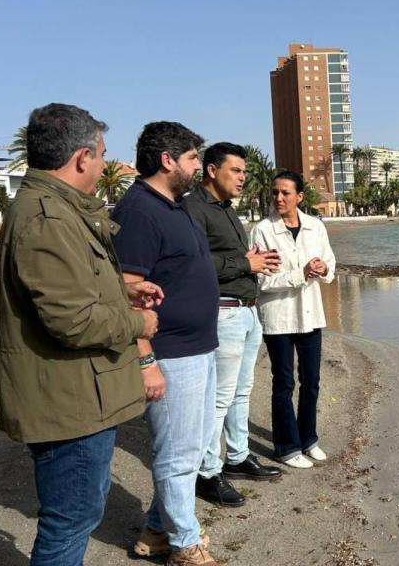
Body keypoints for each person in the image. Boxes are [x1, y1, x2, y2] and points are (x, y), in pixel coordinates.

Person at [0, 103, 162, 566]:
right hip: (67, 404)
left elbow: (71, 291)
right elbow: (71, 321)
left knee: (76, 514)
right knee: (68, 522)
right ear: (82, 157)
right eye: (104, 154)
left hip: (78, 397)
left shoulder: (58, 211)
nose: (106, 164)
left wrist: (123, 291)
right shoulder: (48, 217)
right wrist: (139, 324)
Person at [111, 122, 220, 566]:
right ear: (167, 160)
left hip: (199, 346)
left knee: (190, 449)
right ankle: (184, 545)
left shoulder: (174, 205)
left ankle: (157, 531)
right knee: (177, 455)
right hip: (171, 352)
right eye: (194, 158)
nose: (199, 166)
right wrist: (146, 360)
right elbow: (125, 288)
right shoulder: (138, 209)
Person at [185, 142, 282, 508]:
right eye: (236, 171)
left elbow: (228, 256)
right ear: (212, 170)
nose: (243, 177)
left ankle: (238, 456)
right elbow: (192, 263)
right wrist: (246, 265)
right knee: (219, 398)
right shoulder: (194, 208)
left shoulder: (226, 210)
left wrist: (251, 261)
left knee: (242, 391)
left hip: (246, 310)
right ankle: (207, 472)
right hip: (223, 311)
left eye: (244, 171)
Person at [249, 171, 336, 469]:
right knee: (283, 383)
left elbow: (331, 263)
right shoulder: (262, 230)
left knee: (311, 381)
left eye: (285, 193)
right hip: (278, 318)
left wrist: (323, 268)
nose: (279, 198)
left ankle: (308, 438)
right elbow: (263, 282)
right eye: (275, 192)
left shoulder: (315, 226)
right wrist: (302, 274)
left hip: (311, 315)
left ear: (300, 196)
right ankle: (286, 446)